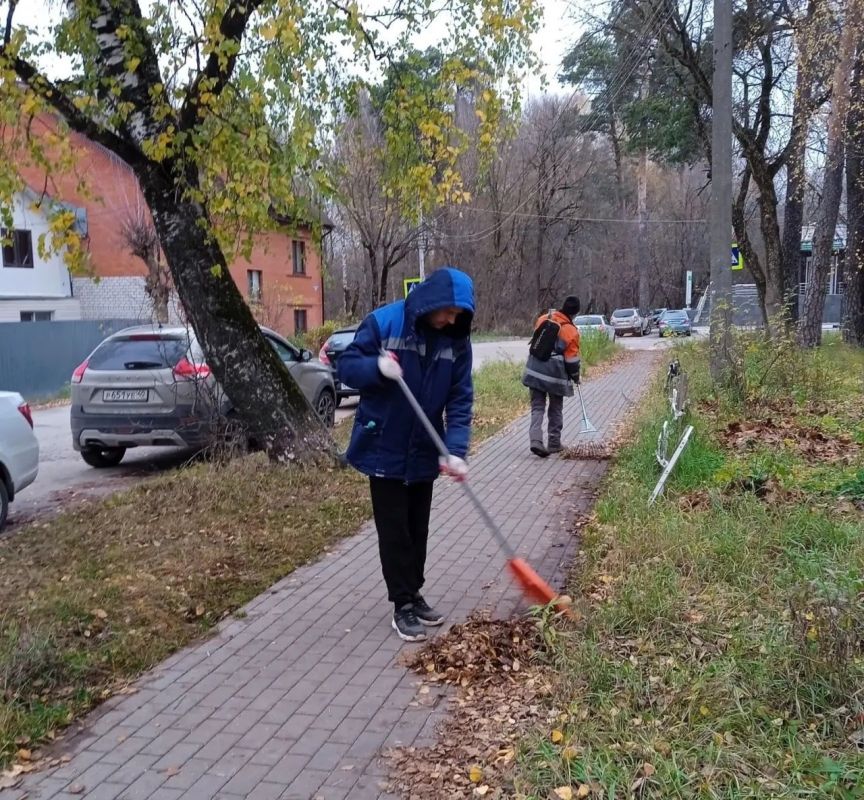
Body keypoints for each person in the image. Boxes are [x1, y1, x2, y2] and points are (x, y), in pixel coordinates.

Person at [338, 267, 474, 642]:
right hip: (383, 444)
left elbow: (461, 398)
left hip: (424, 449)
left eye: (458, 315)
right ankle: (401, 605)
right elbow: (347, 367)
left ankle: (414, 593)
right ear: (431, 302)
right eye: (448, 311)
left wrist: (456, 450)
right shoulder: (384, 323)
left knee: (418, 529)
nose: (451, 319)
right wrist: (376, 368)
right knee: (395, 531)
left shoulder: (456, 340)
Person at [521, 295, 581, 457]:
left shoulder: (543, 319)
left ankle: (536, 440)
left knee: (537, 407)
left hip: (534, 369)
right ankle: (554, 443)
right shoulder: (571, 331)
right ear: (575, 313)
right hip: (555, 375)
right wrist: (576, 377)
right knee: (555, 408)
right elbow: (572, 360)